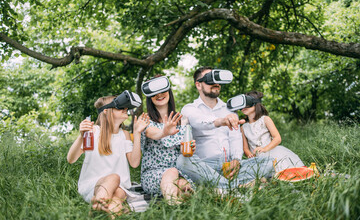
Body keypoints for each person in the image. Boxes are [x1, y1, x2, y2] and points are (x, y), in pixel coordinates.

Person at [177, 66, 274, 190]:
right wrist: (220, 121)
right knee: (182, 161)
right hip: (204, 166)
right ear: (198, 85)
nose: (216, 83)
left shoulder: (229, 109)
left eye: (218, 79)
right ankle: (236, 188)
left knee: (268, 162)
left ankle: (218, 187)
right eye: (210, 79)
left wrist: (236, 160)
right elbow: (199, 121)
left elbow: (235, 138)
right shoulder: (189, 109)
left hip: (228, 167)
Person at [67, 94, 149, 216]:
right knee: (113, 177)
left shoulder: (125, 134)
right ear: (106, 111)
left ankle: (103, 211)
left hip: (121, 187)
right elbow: (71, 159)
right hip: (93, 185)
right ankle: (101, 200)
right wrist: (81, 136)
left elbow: (134, 163)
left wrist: (137, 133)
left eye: (126, 108)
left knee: (118, 196)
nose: (125, 109)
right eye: (120, 107)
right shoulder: (93, 131)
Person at [140, 76, 195, 204]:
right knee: (172, 172)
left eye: (163, 91)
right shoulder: (146, 120)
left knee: (184, 185)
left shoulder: (183, 120)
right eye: (155, 93)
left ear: (169, 92)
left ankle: (184, 209)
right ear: (150, 97)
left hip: (179, 172)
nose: (159, 95)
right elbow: (151, 133)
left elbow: (185, 151)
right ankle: (172, 205)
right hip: (153, 174)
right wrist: (164, 132)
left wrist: (190, 149)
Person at [241, 90, 304, 172]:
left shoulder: (265, 119)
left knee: (281, 170)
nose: (243, 106)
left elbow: (277, 138)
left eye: (247, 103)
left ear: (256, 104)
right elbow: (245, 148)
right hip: (256, 158)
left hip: (271, 152)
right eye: (242, 104)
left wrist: (264, 149)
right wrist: (250, 155)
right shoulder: (243, 127)